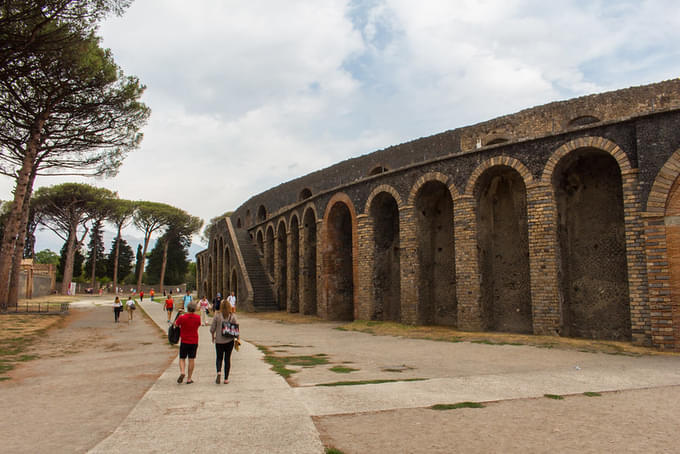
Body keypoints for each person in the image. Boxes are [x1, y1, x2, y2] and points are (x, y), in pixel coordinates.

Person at [210, 301, 239, 384]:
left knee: (219, 358)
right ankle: (226, 379)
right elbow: (236, 328)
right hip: (229, 340)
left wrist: (213, 336)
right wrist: (237, 339)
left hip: (219, 340)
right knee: (227, 359)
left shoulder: (217, 316)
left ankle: (219, 372)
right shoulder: (232, 316)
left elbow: (212, 329)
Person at [174, 302, 201, 384]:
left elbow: (175, 324)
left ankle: (182, 372)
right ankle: (189, 378)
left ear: (187, 308)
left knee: (182, 358)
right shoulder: (197, 318)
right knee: (191, 359)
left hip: (184, 340)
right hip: (194, 340)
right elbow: (198, 325)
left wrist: (179, 314)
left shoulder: (182, 317)